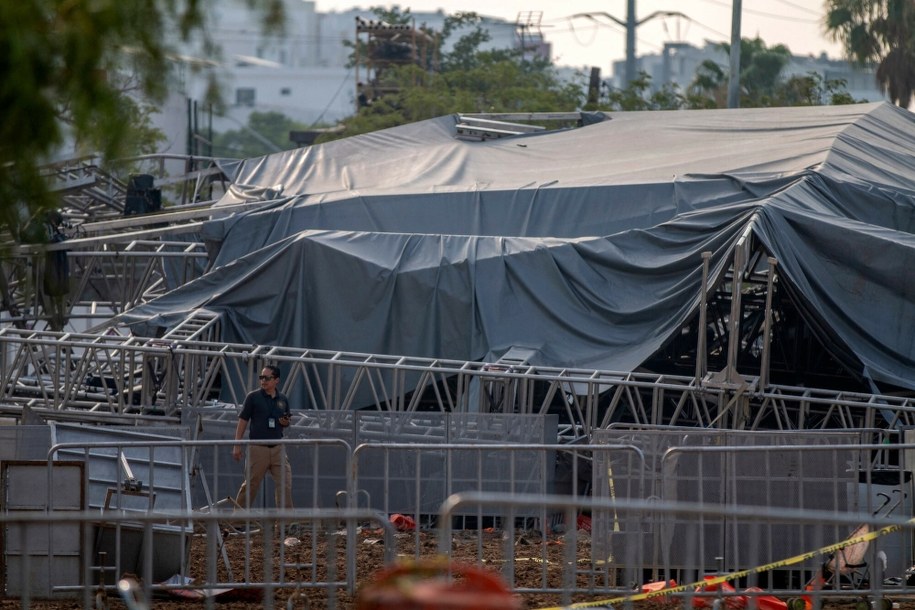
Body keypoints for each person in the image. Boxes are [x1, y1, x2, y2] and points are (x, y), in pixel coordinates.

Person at [232, 365, 294, 509]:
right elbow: (242, 421)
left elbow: (286, 421)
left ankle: (286, 523)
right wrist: (237, 445)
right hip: (258, 447)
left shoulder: (282, 399)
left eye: (267, 378)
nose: (263, 381)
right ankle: (238, 520)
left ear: (276, 380)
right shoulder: (253, 397)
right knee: (251, 485)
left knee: (285, 483)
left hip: (278, 447)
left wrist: (285, 422)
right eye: (261, 377)